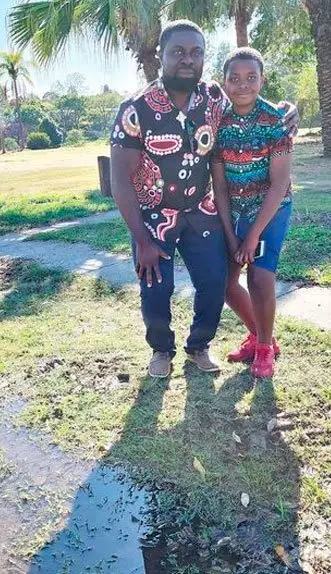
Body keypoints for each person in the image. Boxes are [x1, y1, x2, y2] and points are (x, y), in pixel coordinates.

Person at [110, 22, 298, 378]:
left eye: (196, 52)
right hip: (155, 216)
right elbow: (119, 180)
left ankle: (199, 346)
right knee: (156, 287)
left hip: (202, 209)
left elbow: (250, 102)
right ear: (161, 56)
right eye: (178, 52)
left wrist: (288, 110)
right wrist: (141, 240)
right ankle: (161, 350)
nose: (188, 59)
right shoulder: (135, 109)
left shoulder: (213, 97)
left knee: (215, 282)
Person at [211, 47, 295, 379]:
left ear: (263, 80)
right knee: (224, 282)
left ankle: (263, 350)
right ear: (224, 82)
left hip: (271, 210)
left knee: (260, 278)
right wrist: (232, 236)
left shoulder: (277, 121)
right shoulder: (218, 123)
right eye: (234, 78)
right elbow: (219, 187)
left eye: (251, 77)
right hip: (235, 212)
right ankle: (262, 337)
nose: (242, 84)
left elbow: (280, 183)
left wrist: (252, 237)